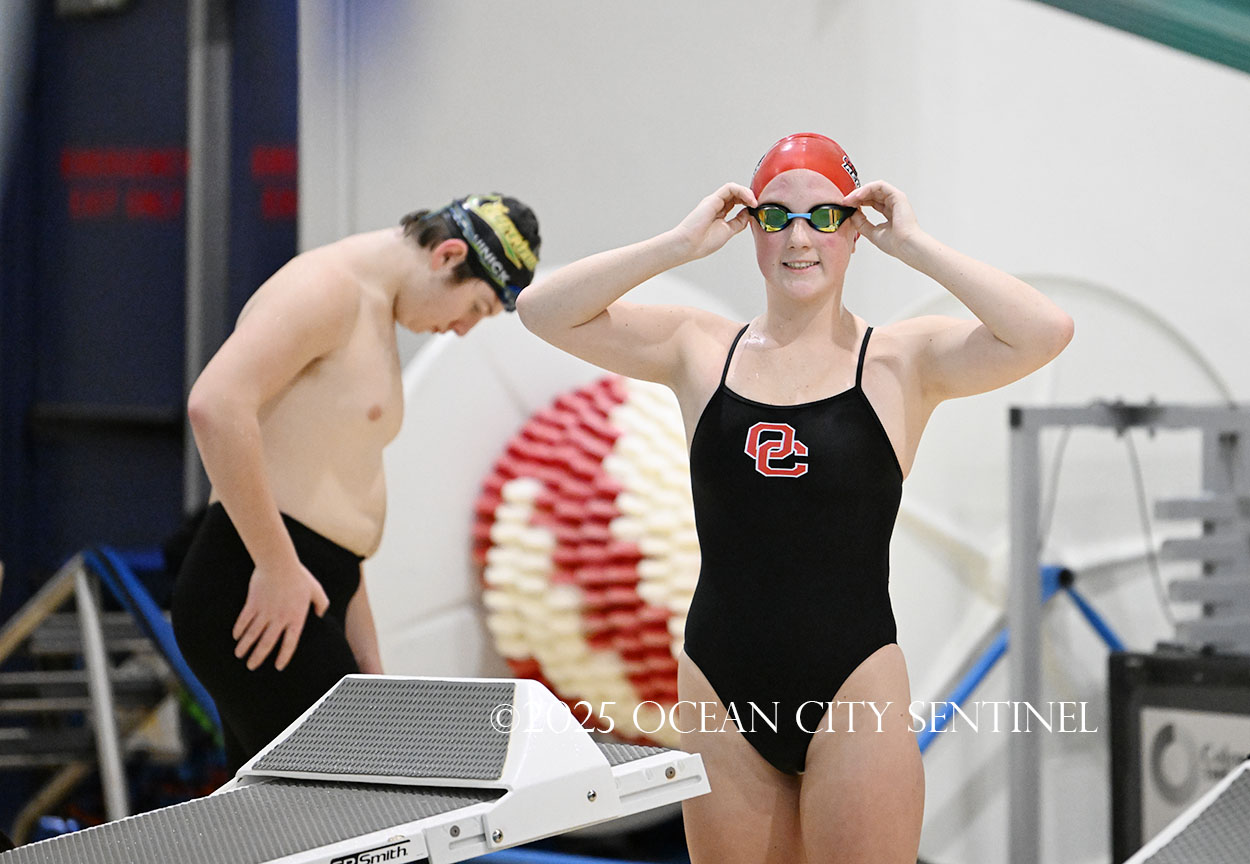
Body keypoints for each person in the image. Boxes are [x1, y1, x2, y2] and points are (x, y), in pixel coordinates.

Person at [517, 134, 1072, 863]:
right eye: (776, 216)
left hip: (854, 683)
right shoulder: (698, 347)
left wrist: (914, 245)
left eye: (825, 216)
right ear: (750, 226)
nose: (799, 238)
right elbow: (541, 310)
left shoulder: (901, 361)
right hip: (721, 682)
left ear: (856, 229)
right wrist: (678, 245)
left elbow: (1044, 331)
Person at [172, 194, 541, 772]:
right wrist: (275, 564)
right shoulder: (327, 289)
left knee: (298, 816)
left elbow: (340, 504)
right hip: (255, 585)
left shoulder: (373, 312)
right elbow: (216, 405)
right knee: (359, 801)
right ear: (447, 256)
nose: (463, 329)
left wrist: (368, 661)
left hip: (307, 585)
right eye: (475, 306)